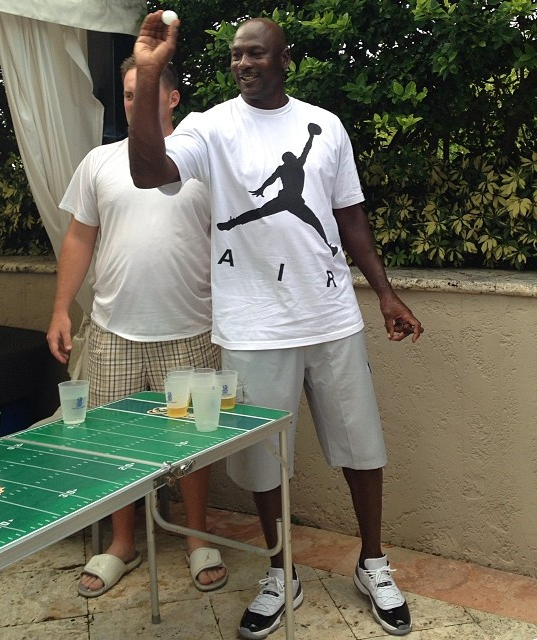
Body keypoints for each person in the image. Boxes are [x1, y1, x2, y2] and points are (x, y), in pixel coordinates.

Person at [128, 12, 423, 638]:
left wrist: (387, 295)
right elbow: (149, 171)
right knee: (263, 464)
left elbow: (349, 218)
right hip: (253, 327)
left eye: (256, 55)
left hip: (330, 316)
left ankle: (373, 561)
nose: (243, 64)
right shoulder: (211, 127)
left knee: (361, 447)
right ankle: (279, 568)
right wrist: (150, 75)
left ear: (284, 59)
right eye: (236, 55)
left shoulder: (325, 125)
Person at [46, 56, 227, 597]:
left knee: (195, 439)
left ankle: (197, 537)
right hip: (113, 330)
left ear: (172, 98)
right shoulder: (99, 162)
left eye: (145, 93)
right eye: (127, 94)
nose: (135, 104)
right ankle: (121, 542)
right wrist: (60, 308)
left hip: (191, 327)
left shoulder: (202, 162)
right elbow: (80, 238)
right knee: (115, 442)